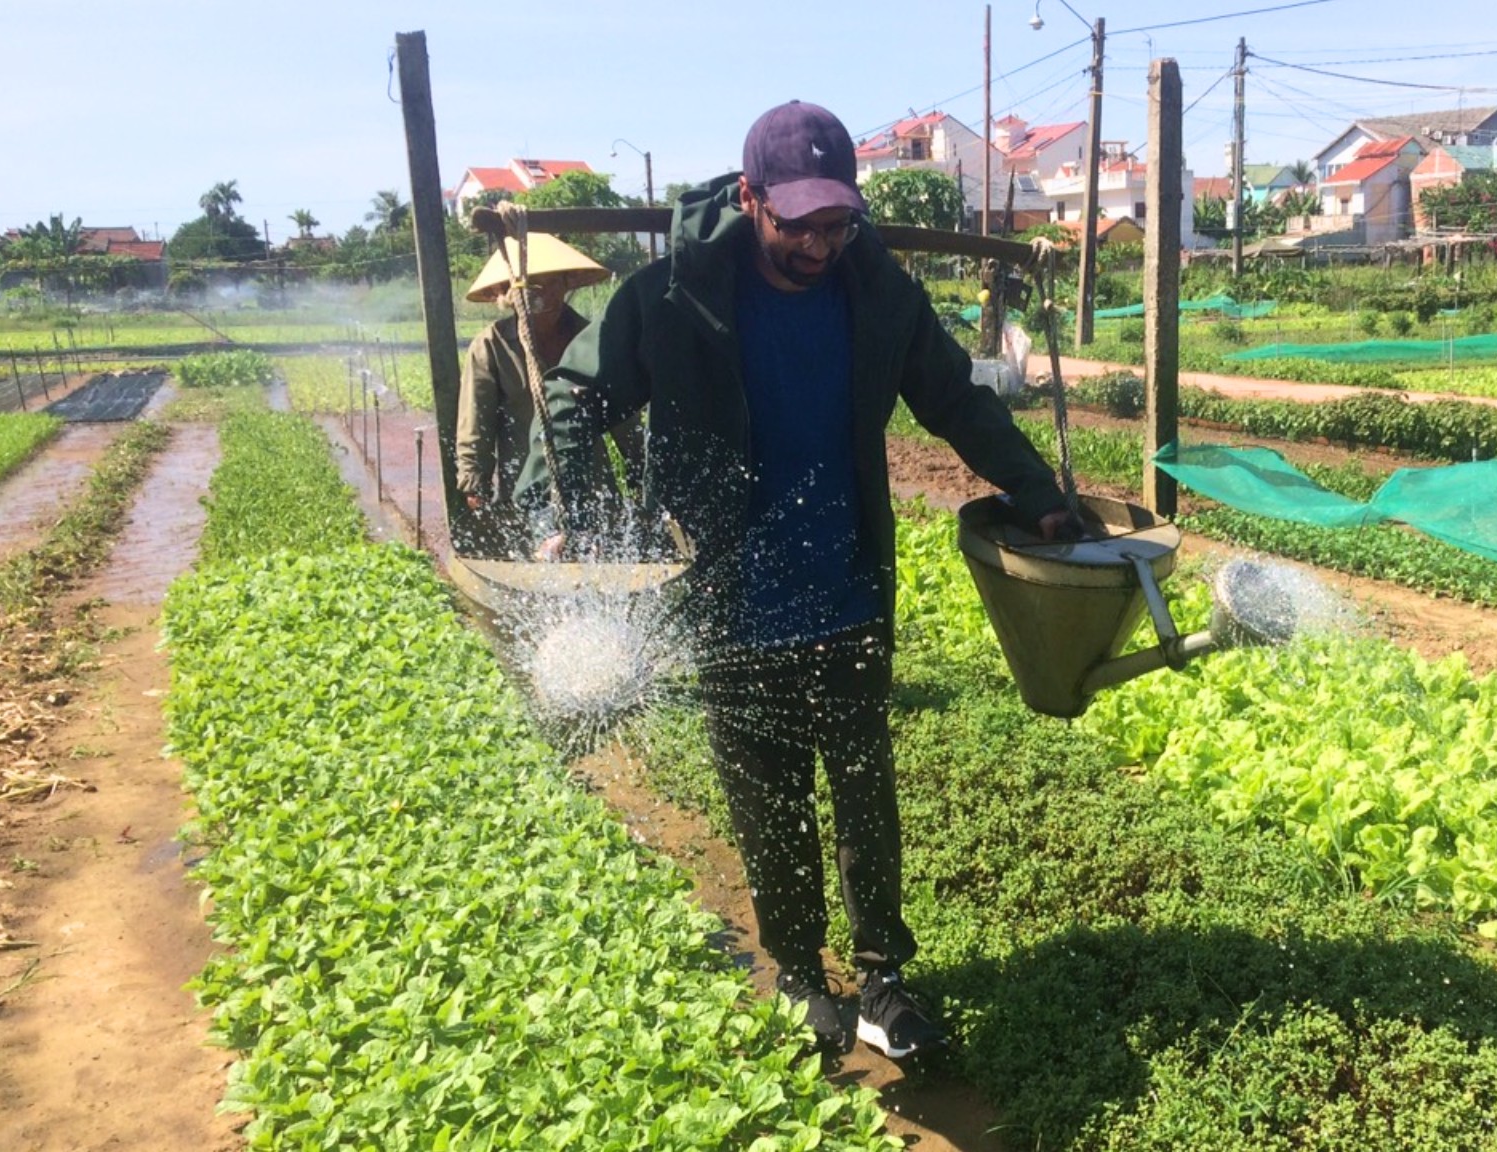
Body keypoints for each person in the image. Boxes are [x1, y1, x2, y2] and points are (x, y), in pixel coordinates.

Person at [522, 100, 1071, 1061]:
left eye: (837, 223)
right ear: (750, 199)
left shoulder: (881, 298)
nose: (819, 245)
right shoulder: (669, 298)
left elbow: (953, 399)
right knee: (767, 799)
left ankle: (882, 982)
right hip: (729, 601)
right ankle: (803, 978)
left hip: (849, 586)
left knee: (865, 791)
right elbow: (575, 395)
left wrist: (1036, 489)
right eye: (798, 224)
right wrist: (574, 512)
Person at [454, 233, 610, 557]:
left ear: (567, 284)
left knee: (597, 563)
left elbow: (621, 412)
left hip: (592, 484)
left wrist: (643, 471)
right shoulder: (491, 347)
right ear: (509, 294)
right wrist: (476, 484)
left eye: (552, 282)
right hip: (527, 490)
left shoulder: (592, 339)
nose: (544, 293)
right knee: (540, 566)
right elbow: (476, 425)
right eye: (532, 285)